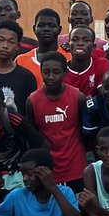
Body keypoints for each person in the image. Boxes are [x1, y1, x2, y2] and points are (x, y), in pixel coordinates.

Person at [25, 53, 87, 190]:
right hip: (48, 170)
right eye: (46, 72)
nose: (51, 77)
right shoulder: (32, 101)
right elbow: (33, 135)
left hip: (75, 168)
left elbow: (85, 132)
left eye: (56, 72)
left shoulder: (78, 97)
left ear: (65, 73)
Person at [16, 8, 68, 80]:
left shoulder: (69, 58)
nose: (46, 29)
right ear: (34, 29)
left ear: (59, 29)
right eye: (41, 25)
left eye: (52, 25)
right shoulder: (21, 60)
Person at [63, 26, 109, 97]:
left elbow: (105, 92)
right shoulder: (61, 69)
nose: (80, 43)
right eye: (75, 40)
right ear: (68, 46)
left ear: (93, 47)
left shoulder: (101, 64)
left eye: (86, 40)